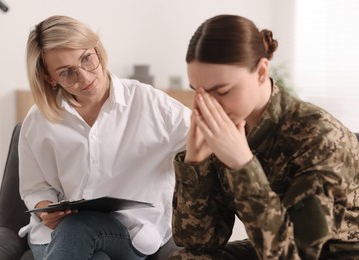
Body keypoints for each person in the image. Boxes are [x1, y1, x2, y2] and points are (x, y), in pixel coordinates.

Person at [169, 14, 359, 259]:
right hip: (268, 246)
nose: (208, 107)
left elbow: (294, 254)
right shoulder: (229, 123)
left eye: (222, 91)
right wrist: (195, 164)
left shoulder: (319, 136)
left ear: (260, 71)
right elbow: (198, 242)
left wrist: (242, 165)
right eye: (199, 92)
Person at [18, 15, 190, 260]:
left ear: (96, 49)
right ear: (49, 78)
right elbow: (35, 187)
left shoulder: (148, 102)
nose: (85, 78)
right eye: (67, 72)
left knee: (79, 227)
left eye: (87, 59)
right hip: (54, 236)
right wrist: (44, 209)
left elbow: (205, 136)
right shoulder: (38, 120)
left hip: (129, 233)